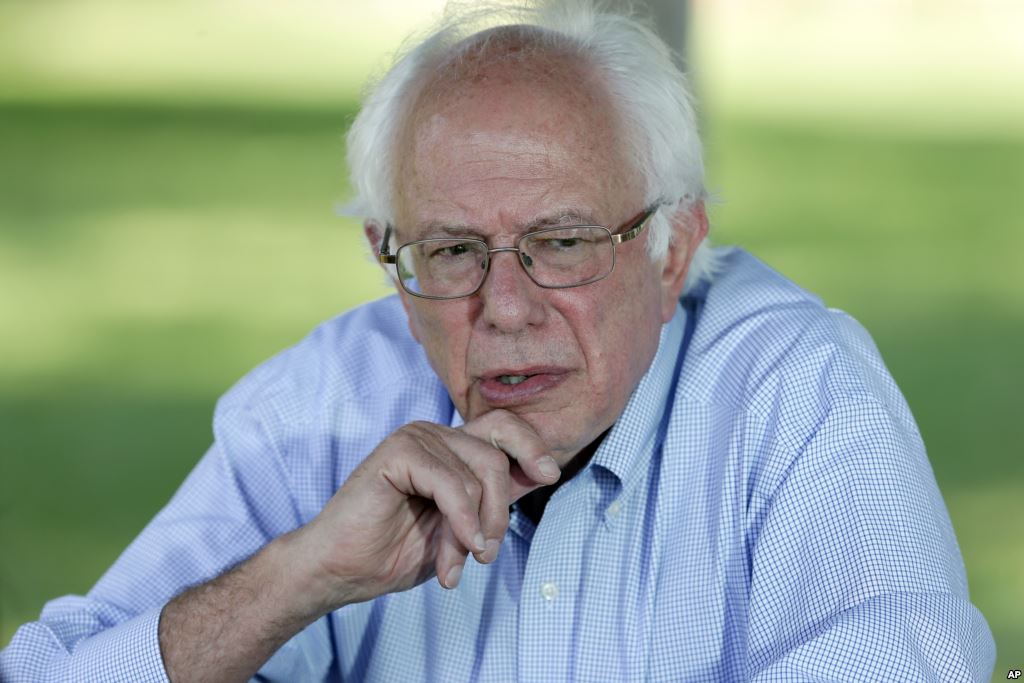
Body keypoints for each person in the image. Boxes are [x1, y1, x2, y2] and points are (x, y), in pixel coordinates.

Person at [0, 2, 996, 681]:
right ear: (387, 253)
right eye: (452, 250)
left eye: (562, 243)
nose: (505, 306)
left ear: (671, 244)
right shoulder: (321, 406)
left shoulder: (794, 395)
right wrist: (300, 574)